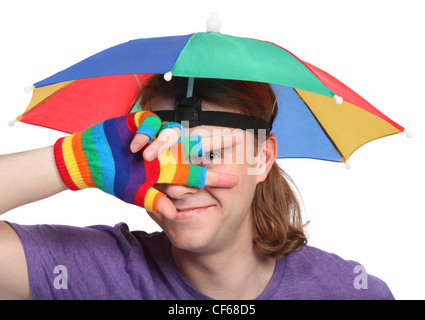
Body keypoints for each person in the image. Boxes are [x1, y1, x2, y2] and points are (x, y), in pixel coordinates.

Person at [0, 75, 394, 300]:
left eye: (206, 154)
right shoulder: (95, 272)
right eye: (163, 156)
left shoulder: (351, 293)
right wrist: (69, 163)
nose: (179, 186)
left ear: (262, 157)